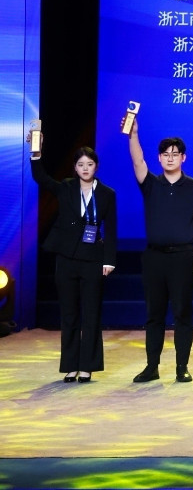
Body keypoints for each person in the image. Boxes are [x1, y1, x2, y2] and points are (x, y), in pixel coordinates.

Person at [127, 120, 193, 383]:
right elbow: (138, 161)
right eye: (165, 154)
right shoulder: (151, 184)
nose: (170, 158)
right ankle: (151, 367)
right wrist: (134, 134)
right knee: (154, 314)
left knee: (182, 313)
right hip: (154, 257)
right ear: (159, 158)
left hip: (183, 257)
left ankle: (181, 367)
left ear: (183, 157)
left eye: (175, 154)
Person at [30, 141, 116, 382]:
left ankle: (87, 366)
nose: (85, 168)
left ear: (96, 166)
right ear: (75, 168)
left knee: (91, 313)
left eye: (89, 164)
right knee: (68, 314)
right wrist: (36, 153)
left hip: (93, 260)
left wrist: (109, 260)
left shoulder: (107, 194)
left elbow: (111, 229)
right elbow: (41, 178)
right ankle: (70, 366)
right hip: (66, 258)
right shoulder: (66, 187)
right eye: (80, 164)